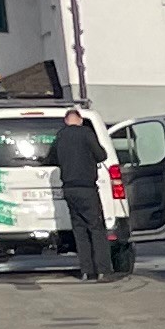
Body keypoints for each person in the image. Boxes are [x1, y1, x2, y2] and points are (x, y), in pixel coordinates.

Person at [51, 105, 117, 280]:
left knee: (79, 230)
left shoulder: (60, 136)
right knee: (96, 228)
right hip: (86, 187)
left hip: (69, 189)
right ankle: (103, 269)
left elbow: (50, 158)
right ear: (79, 120)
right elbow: (101, 155)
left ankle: (86, 271)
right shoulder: (86, 134)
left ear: (66, 121)